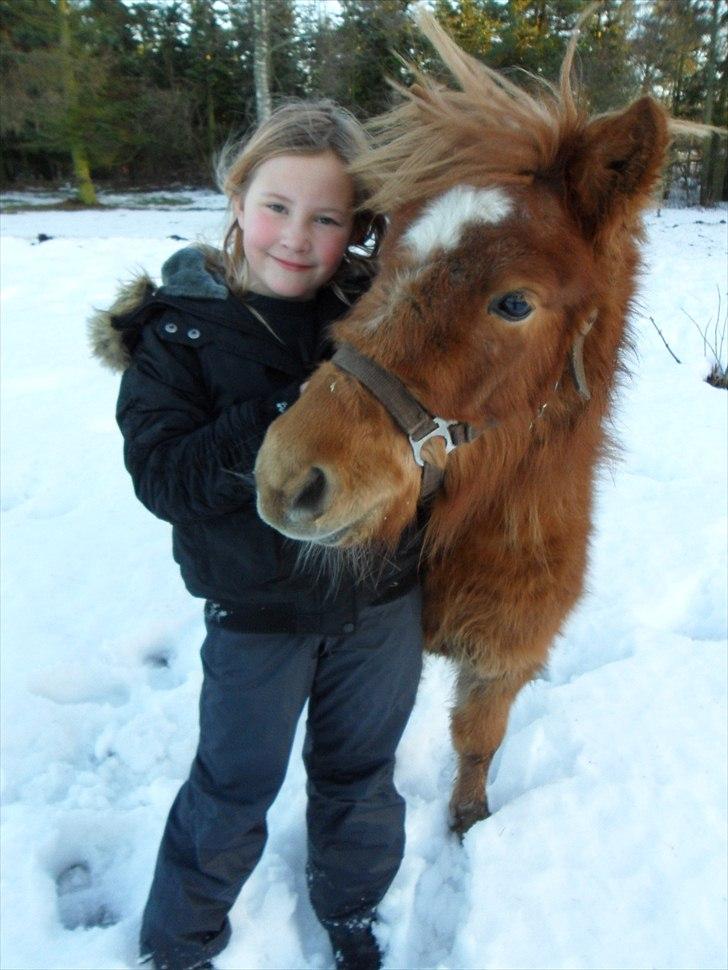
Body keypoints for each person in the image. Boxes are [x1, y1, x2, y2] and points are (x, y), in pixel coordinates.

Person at [90, 100, 424, 970]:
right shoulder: (178, 332)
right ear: (238, 198)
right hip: (258, 614)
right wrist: (294, 416)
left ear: (357, 228)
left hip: (379, 600)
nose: (296, 237)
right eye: (277, 206)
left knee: (361, 774)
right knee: (235, 786)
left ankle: (353, 910)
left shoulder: (378, 315)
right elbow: (167, 480)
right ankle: (180, 943)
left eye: (327, 218)